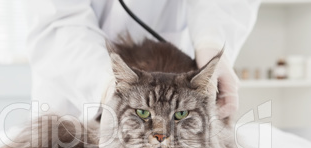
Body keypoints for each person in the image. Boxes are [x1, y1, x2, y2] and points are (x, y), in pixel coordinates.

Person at [26, 0, 261, 119]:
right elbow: (58, 21)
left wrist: (211, 40)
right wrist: (107, 86)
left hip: (181, 67)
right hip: (74, 89)